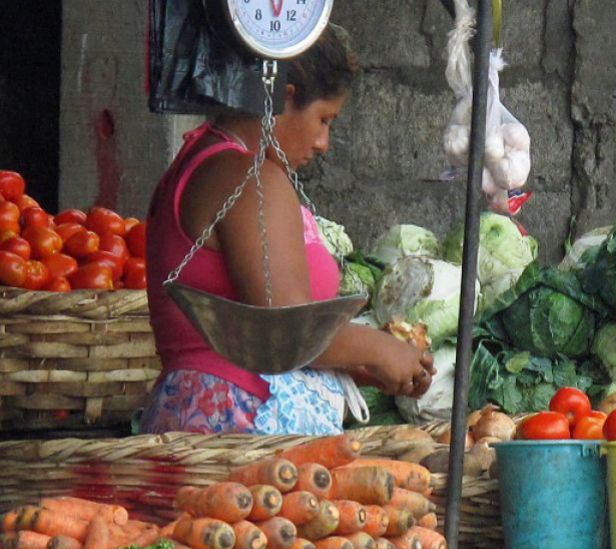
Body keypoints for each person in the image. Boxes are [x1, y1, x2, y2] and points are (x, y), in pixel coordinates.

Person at [142, 25, 433, 435]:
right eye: (323, 119)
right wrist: (377, 348)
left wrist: (367, 365)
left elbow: (269, 337)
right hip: (238, 423)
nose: (323, 143)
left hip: (207, 412)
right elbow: (287, 328)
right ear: (286, 98)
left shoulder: (204, 160)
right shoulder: (247, 177)